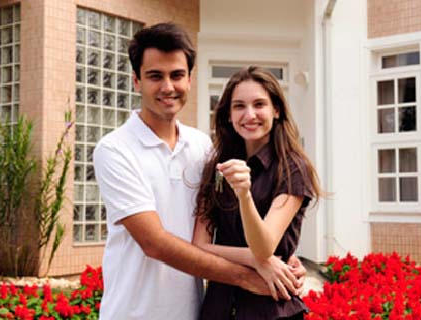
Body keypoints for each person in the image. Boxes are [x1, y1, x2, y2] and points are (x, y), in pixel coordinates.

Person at [93, 23, 304, 320]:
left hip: (194, 311)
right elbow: (154, 243)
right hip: (133, 312)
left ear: (190, 79)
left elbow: (226, 224)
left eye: (177, 75)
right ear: (137, 81)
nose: (168, 87)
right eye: (155, 76)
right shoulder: (115, 150)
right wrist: (249, 272)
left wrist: (279, 256)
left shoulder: (202, 146)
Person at [193, 66, 323, 319]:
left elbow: (264, 247)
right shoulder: (217, 167)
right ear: (228, 116)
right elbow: (199, 246)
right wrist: (254, 260)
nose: (249, 114)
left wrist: (244, 194)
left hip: (271, 308)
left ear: (276, 110)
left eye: (259, 104)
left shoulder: (293, 168)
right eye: (239, 106)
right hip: (218, 308)